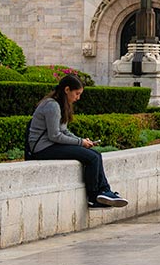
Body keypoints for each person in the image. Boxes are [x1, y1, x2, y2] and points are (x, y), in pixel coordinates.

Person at [25, 74, 129, 208]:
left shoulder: (60, 105)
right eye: (77, 94)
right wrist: (80, 143)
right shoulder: (52, 106)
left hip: (51, 145)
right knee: (92, 158)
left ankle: (104, 191)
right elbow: (55, 135)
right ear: (67, 90)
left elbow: (64, 131)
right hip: (42, 149)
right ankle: (94, 197)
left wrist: (82, 140)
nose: (78, 98)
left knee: (96, 154)